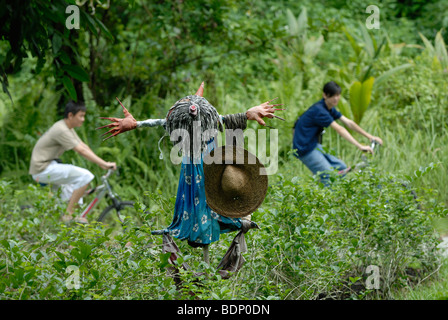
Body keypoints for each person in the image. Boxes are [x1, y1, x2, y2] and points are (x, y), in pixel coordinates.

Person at [29, 101, 117, 223]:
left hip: (49, 166)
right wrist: (105, 164)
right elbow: (81, 151)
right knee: (85, 176)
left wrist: (102, 163)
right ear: (70, 115)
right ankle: (68, 215)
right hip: (42, 169)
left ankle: (66, 227)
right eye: (81, 116)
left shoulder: (67, 127)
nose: (83, 119)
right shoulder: (61, 130)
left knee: (73, 199)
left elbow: (83, 146)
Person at [293, 81, 383, 186]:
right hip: (305, 149)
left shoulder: (329, 108)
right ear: (325, 95)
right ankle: (327, 200)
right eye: (332, 96)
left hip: (313, 145)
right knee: (327, 175)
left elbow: (349, 123)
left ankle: (340, 197)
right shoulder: (320, 111)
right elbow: (340, 129)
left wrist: (370, 136)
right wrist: (359, 146)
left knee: (341, 168)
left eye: (337, 95)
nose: (336, 98)